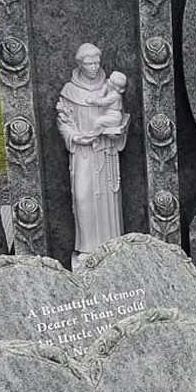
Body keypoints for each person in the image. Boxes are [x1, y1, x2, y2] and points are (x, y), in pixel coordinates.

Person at [57, 44, 130, 267]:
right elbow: (63, 121)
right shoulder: (70, 91)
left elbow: (118, 116)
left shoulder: (109, 87)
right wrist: (75, 137)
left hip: (105, 152)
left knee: (107, 200)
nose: (94, 67)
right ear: (80, 64)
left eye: (97, 63)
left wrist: (116, 133)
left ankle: (111, 246)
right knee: (83, 197)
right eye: (89, 63)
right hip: (83, 153)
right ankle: (87, 249)